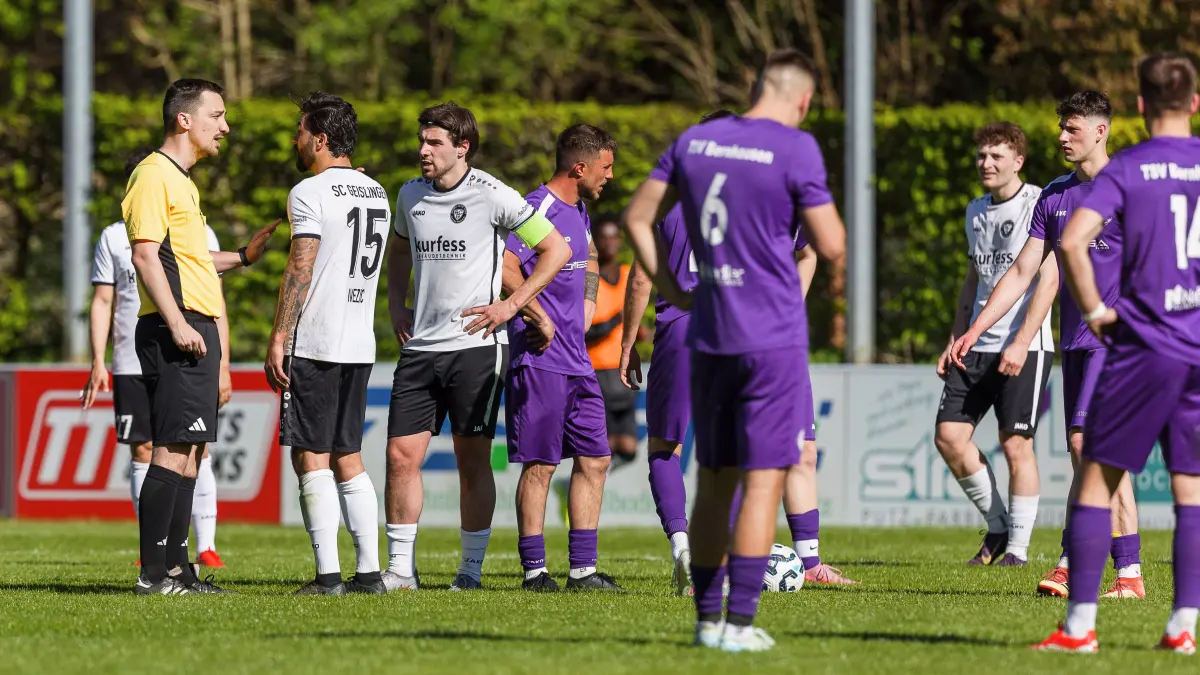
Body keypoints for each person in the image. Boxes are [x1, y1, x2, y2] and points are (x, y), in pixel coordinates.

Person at [622, 48, 846, 652]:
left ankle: (704, 622)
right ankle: (741, 623)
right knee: (764, 477)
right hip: (769, 334)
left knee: (713, 478)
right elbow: (830, 241)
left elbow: (639, 218)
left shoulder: (695, 142)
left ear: (753, 87)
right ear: (801, 99)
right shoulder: (795, 147)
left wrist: (674, 291)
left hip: (708, 328)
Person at [1033, 52, 1200, 655]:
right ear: (1195, 103)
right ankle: (1182, 626)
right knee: (1190, 490)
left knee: (1094, 477)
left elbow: (1074, 241)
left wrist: (1100, 313)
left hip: (1144, 344)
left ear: (1138, 107)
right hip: (1197, 348)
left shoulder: (1127, 169)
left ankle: (1080, 627)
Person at [950, 92, 1144, 598]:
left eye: (1072, 128)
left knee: (1088, 444)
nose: (1061, 136)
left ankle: (1075, 561)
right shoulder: (1055, 196)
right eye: (1061, 127)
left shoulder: (1131, 186)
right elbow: (1021, 273)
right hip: (1076, 344)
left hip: (1119, 342)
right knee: (1092, 453)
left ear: (1101, 131)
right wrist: (974, 329)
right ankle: (1125, 572)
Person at [384, 102, 571, 592]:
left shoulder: (492, 195)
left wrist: (512, 306)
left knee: (472, 461)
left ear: (461, 148)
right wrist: (395, 306)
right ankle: (401, 570)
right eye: (422, 141)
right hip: (420, 348)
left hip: (476, 349)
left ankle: (469, 572)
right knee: (402, 457)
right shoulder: (408, 195)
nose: (423, 151)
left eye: (434, 143)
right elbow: (399, 248)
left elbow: (557, 249)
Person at [125, 78, 279, 595]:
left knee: (191, 451)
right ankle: (152, 575)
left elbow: (189, 261)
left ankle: (179, 570)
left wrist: (242, 256)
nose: (226, 126)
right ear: (184, 119)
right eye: (217, 114)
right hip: (179, 328)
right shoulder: (152, 175)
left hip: (197, 325)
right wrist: (177, 323)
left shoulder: (183, 181)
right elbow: (145, 256)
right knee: (170, 450)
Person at [264, 92, 387, 596]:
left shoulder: (308, 191)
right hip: (359, 341)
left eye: (300, 131)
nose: (295, 140)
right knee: (349, 456)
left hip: (315, 341)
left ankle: (329, 577)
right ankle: (370, 574)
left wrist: (279, 334)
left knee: (310, 457)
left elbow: (301, 265)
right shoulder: (376, 191)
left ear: (320, 138)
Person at [83, 146, 227, 570]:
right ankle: (155, 556)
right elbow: (103, 300)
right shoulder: (115, 236)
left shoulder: (197, 228)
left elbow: (216, 298)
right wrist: (98, 359)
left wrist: (224, 364)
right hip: (137, 355)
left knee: (191, 447)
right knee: (149, 450)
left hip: (184, 340)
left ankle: (199, 550)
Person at [506, 124, 623, 592]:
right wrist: (539, 316)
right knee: (540, 464)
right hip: (540, 359)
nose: (610, 176)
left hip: (579, 361)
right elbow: (505, 268)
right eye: (606, 167)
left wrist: (587, 307)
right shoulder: (536, 208)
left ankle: (582, 570)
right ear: (580, 167)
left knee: (596, 459)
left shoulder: (577, 210)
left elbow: (589, 256)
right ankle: (535, 572)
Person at [934, 122, 1056, 567]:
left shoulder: (1041, 203)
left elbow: (1047, 279)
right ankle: (999, 526)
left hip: (1024, 344)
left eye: (997, 156)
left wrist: (1023, 341)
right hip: (976, 343)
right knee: (949, 437)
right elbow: (973, 281)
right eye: (982, 156)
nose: (986, 163)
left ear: (1018, 161)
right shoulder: (974, 210)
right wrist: (955, 337)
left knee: (1015, 444)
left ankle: (1018, 552)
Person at [586, 219, 640, 468]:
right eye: (604, 237)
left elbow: (633, 322)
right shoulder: (588, 279)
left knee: (629, 449)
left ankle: (569, 485)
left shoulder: (630, 276)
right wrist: (614, 321)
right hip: (597, 371)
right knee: (603, 449)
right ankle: (582, 493)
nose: (610, 243)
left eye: (614, 237)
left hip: (624, 370)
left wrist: (639, 331)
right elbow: (583, 331)